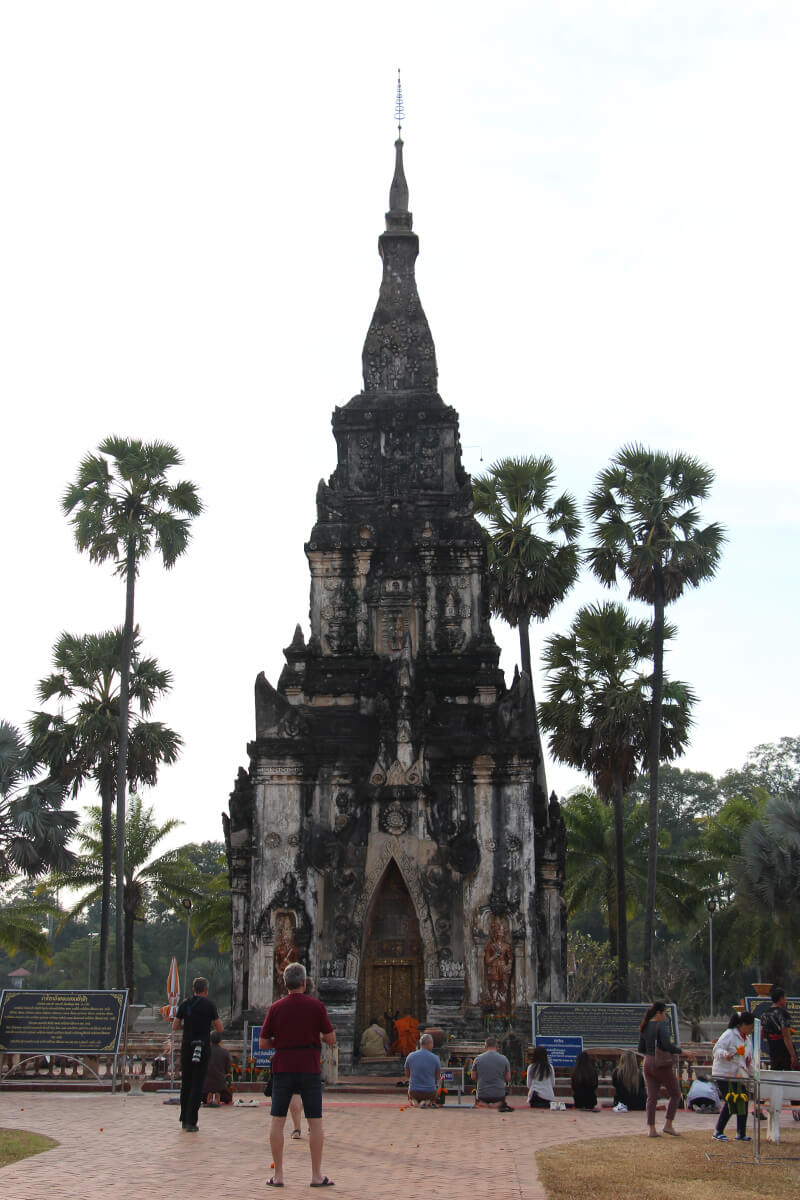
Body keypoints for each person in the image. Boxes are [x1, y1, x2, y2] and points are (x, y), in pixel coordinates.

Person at [260, 961, 337, 1188]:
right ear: (304, 983)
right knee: (315, 1122)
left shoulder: (275, 1008)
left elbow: (264, 1043)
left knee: (277, 1121)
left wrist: (283, 1041)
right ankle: (315, 1175)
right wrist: (315, 1037)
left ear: (285, 984)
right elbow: (331, 1038)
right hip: (309, 1067)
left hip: (283, 1067)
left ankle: (279, 1175)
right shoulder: (316, 1006)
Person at [172, 976, 224, 1133]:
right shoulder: (209, 1006)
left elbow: (175, 1026)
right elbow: (219, 1028)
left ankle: (183, 1118)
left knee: (186, 1083)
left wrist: (187, 1027)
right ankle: (191, 1121)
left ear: (193, 989)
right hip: (202, 1047)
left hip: (187, 1046)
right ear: (206, 990)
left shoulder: (185, 1005)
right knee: (197, 1084)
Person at [639, 1001, 682, 1138]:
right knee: (675, 1093)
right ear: (658, 1013)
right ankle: (668, 1124)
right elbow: (667, 1045)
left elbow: (641, 1049)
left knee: (651, 1097)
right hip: (660, 1063)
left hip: (647, 1062)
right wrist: (682, 1051)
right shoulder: (660, 1026)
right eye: (664, 1013)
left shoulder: (645, 1026)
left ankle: (651, 1128)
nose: (665, 1016)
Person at [711, 1012, 755, 1142]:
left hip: (739, 1075)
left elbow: (749, 1059)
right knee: (731, 1100)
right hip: (724, 1074)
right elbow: (716, 1049)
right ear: (743, 1025)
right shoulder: (729, 1034)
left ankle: (741, 1133)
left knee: (743, 1100)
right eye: (751, 1026)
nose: (752, 1030)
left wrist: (753, 1074)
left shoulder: (747, 1039)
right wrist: (725, 1054)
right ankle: (718, 1131)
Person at [761, 985, 799, 1119]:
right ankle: (797, 1109)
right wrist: (793, 1055)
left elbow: (763, 1035)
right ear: (781, 998)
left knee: (773, 1079)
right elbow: (786, 1035)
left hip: (773, 1049)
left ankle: (761, 1103)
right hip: (784, 1050)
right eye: (785, 997)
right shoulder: (783, 1013)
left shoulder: (765, 1013)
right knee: (793, 1078)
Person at [471, 1035, 513, 1111]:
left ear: (485, 1046)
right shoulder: (504, 1059)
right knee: (501, 1095)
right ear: (497, 1046)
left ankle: (482, 1103)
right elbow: (508, 1078)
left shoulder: (478, 1059)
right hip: (499, 1094)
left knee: (480, 1097)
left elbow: (473, 1077)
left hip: (482, 1093)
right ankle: (498, 1103)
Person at [404, 1033, 441, 1107]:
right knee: (434, 1090)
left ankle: (415, 1101)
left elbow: (407, 1075)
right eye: (432, 1043)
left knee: (411, 1089)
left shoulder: (410, 1056)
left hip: (414, 1091)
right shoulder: (435, 1058)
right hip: (429, 1092)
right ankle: (426, 1102)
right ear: (429, 1044)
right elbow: (437, 1078)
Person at [202, 1029, 233, 1106]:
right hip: (220, 1084)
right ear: (220, 1040)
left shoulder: (204, 1051)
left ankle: (209, 1096)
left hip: (205, 1085)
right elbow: (227, 1070)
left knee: (201, 1094)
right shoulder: (225, 1052)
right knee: (227, 1097)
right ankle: (217, 1095)